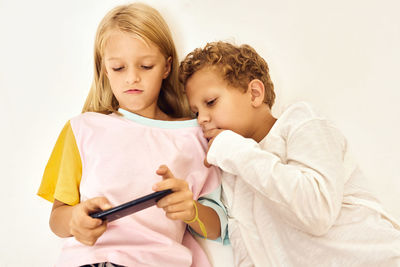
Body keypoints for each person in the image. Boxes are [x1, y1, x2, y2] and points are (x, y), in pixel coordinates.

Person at [37, 4, 227, 267]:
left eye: (146, 66)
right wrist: (74, 220)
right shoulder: (81, 129)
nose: (132, 78)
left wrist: (191, 211)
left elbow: (218, 227)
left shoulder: (195, 136)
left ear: (166, 67)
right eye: (118, 68)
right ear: (104, 69)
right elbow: (56, 219)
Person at [179, 41, 400, 267]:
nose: (201, 119)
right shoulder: (233, 171)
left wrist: (232, 149)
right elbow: (251, 249)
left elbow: (316, 213)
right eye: (196, 112)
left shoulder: (300, 121)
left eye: (211, 102)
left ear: (254, 93)